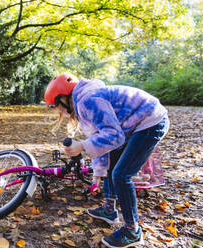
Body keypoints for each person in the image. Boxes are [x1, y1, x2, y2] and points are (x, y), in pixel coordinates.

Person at [44, 73, 169, 248]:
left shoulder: (88, 101)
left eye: (59, 107)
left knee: (121, 175)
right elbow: (104, 142)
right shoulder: (84, 102)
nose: (62, 113)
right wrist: (98, 173)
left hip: (150, 122)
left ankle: (133, 231)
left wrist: (82, 146)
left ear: (65, 98)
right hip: (136, 123)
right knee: (113, 164)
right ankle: (109, 210)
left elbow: (114, 136)